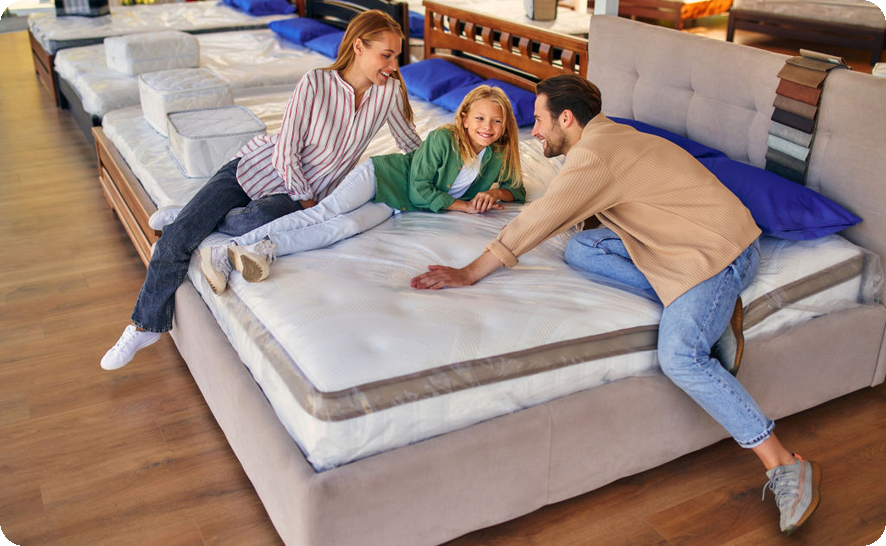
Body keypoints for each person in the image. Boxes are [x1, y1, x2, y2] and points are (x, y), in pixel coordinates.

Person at [410, 74, 821, 535]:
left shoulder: (597, 153)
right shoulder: (609, 136)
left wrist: (471, 271)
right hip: (679, 240)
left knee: (681, 355)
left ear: (567, 118)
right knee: (583, 248)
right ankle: (711, 310)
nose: (535, 130)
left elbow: (542, 216)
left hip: (718, 251)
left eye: (540, 121)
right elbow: (582, 209)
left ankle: (785, 464)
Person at [100, 10, 422, 371]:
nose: (394, 66)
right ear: (359, 47)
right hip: (256, 168)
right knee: (176, 238)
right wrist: (307, 201)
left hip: (290, 197)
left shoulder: (389, 93)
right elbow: (286, 149)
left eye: (397, 56)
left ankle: (195, 214)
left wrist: (448, 172)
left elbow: (411, 144)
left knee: (257, 220)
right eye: (386, 55)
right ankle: (143, 326)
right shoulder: (315, 83)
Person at [200, 85, 525, 286]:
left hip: (397, 203)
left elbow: (517, 190)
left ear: (505, 125)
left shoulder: (498, 154)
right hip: (382, 177)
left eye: (496, 121)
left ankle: (264, 249)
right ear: (464, 118)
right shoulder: (444, 138)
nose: (487, 126)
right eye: (480, 118)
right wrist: (465, 206)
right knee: (324, 213)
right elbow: (420, 189)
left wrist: (494, 192)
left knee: (344, 228)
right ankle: (225, 250)